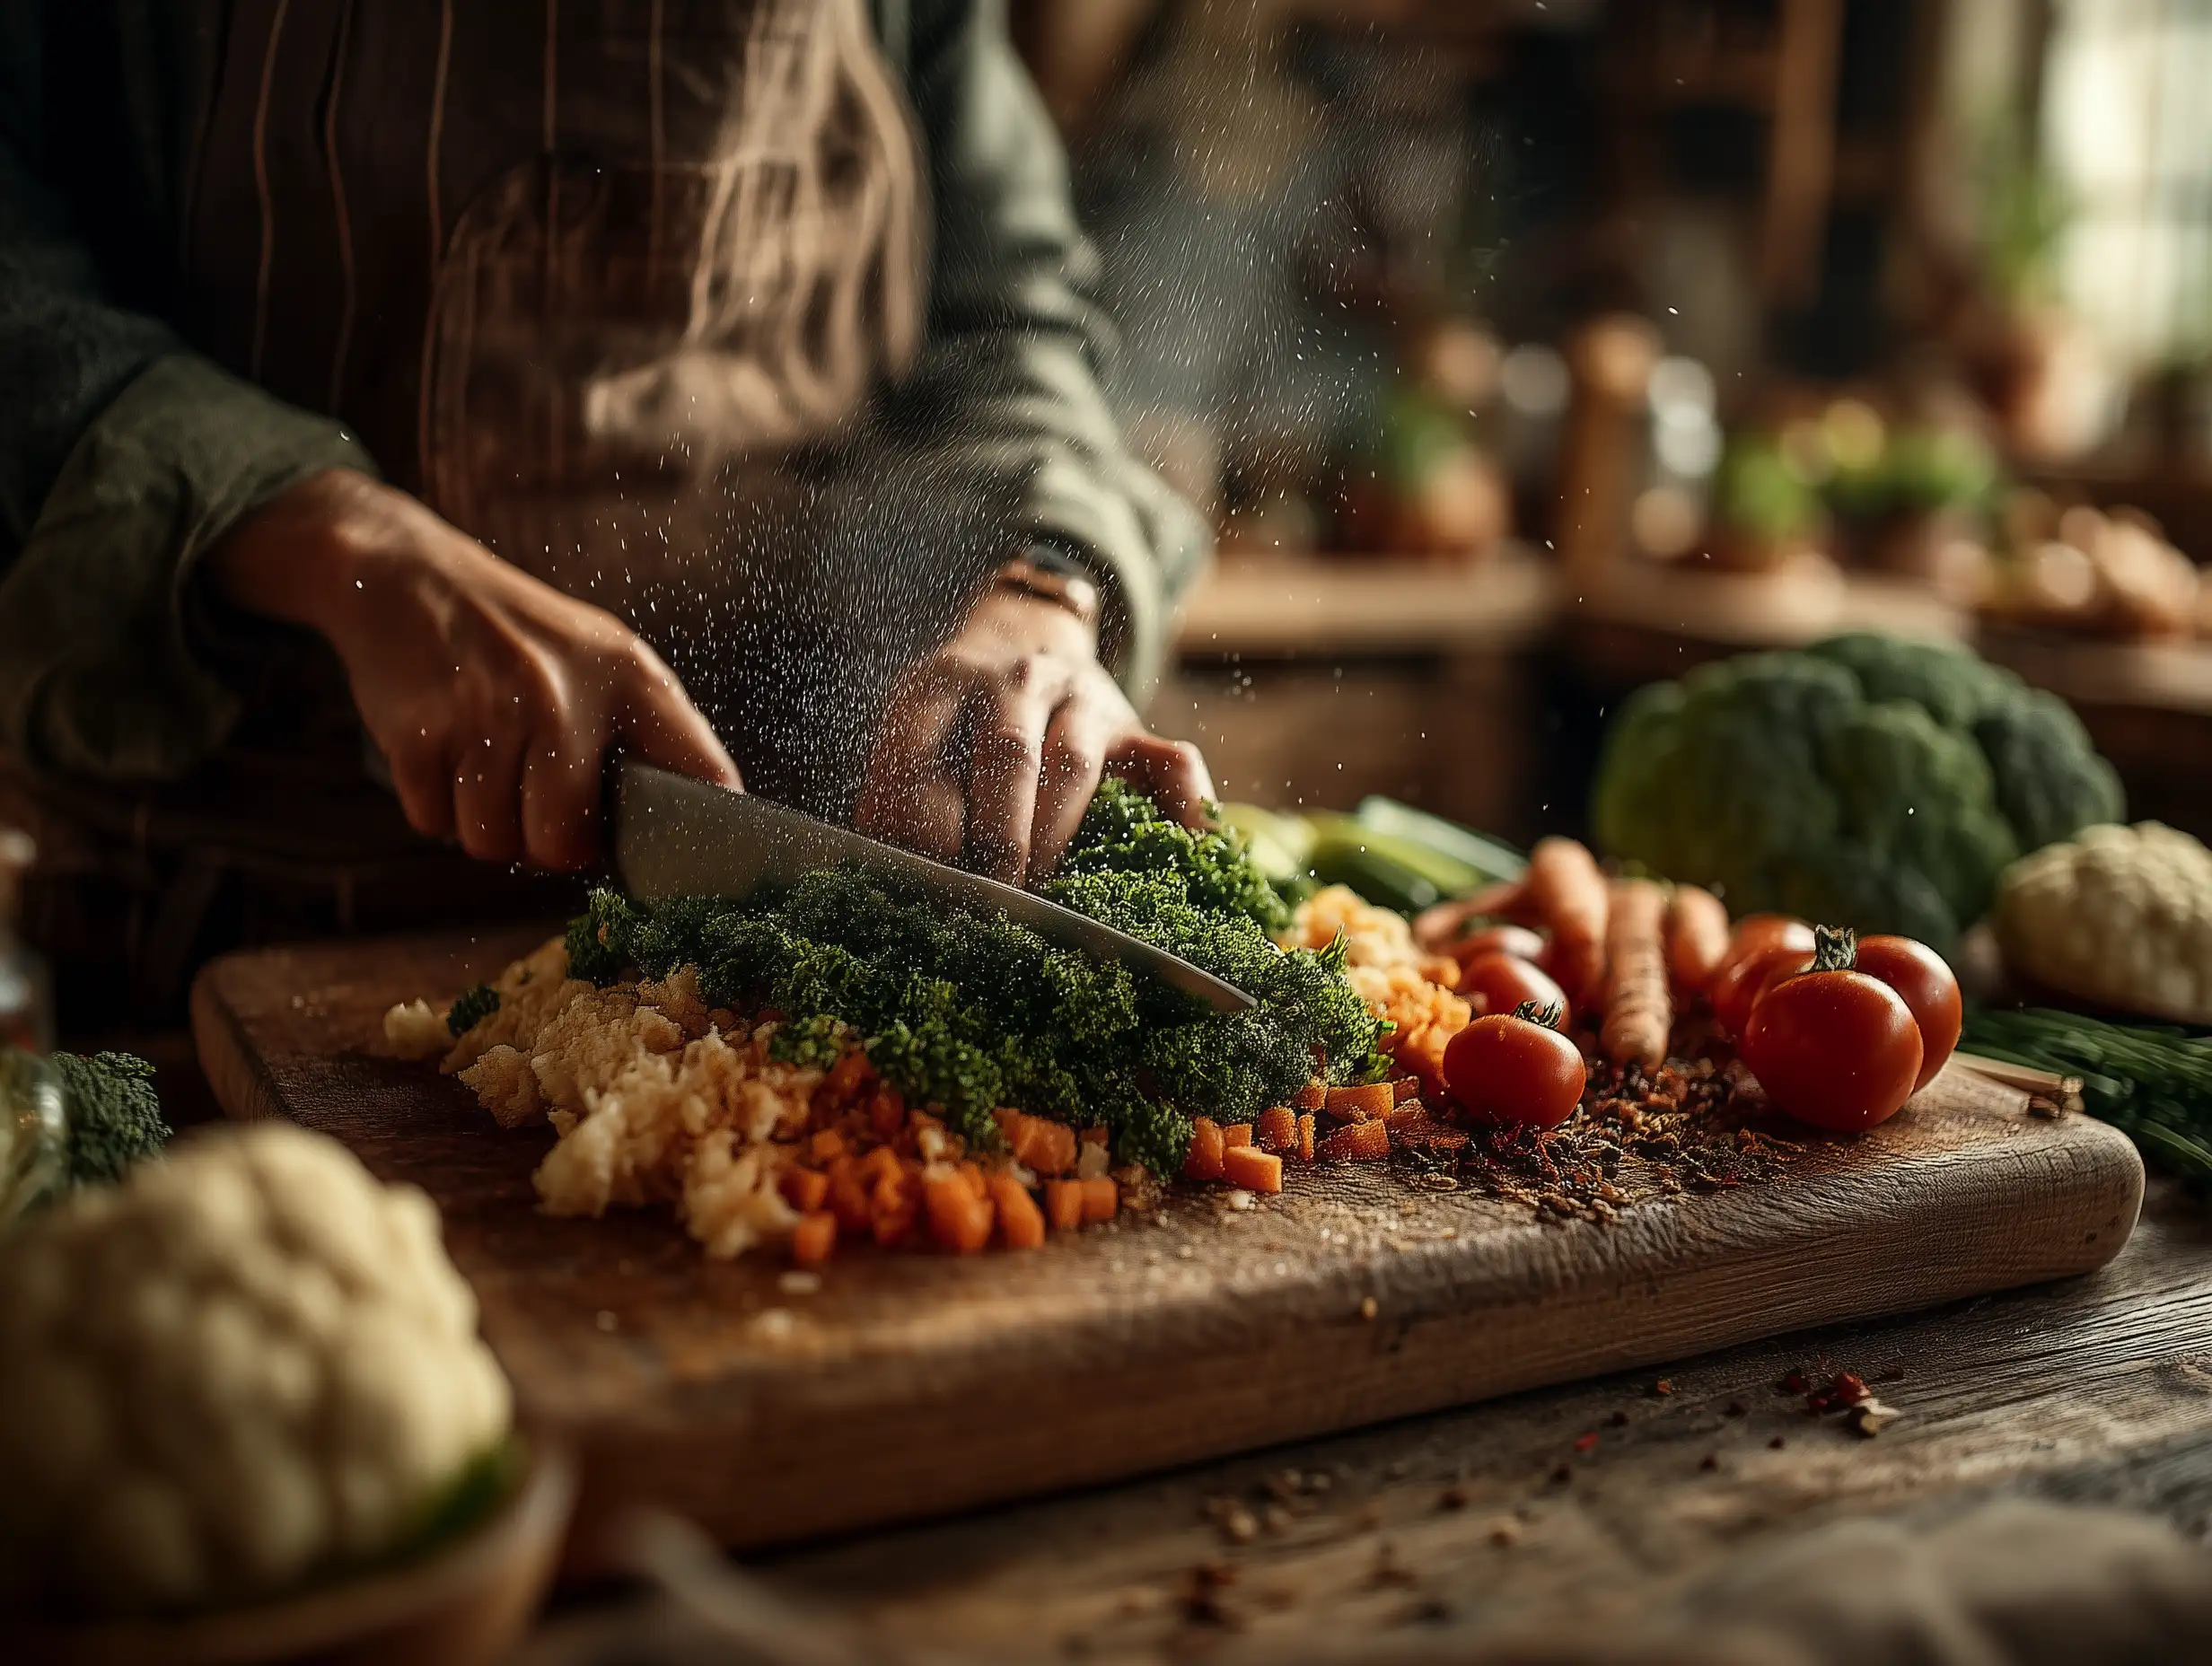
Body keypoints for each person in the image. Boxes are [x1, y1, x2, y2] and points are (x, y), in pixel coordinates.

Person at [0, 0, 1213, 1014]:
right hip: (240, 924)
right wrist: (334, 540)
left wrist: (1043, 578)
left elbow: (1006, 310)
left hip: (799, 930)